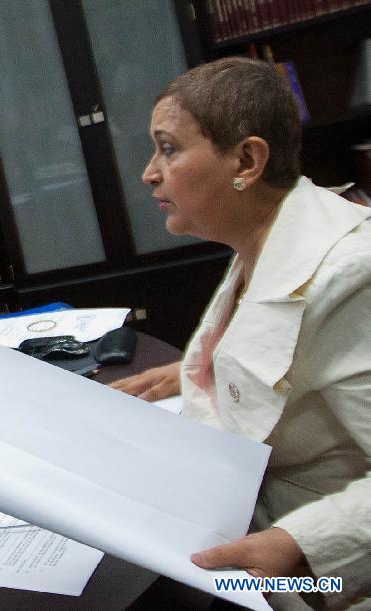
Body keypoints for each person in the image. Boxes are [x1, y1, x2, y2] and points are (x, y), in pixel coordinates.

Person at [111, 57, 370, 609]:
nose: (149, 172)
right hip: (250, 537)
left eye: (169, 147)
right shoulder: (262, 239)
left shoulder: (354, 275)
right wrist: (198, 368)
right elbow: (284, 354)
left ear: (247, 161)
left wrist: (297, 544)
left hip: (315, 581)